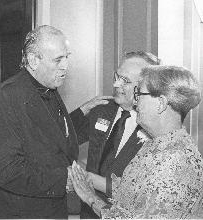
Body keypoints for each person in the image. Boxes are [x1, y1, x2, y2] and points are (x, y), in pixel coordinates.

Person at [0, 25, 109, 219]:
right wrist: (65, 179)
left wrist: (82, 112)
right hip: (25, 213)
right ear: (33, 60)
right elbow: (7, 171)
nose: (65, 66)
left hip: (53, 210)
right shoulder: (5, 97)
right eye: (57, 60)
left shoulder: (47, 85)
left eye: (67, 57)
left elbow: (49, 138)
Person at [70, 65, 203, 219]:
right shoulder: (155, 145)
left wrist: (91, 199)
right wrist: (88, 182)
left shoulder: (174, 161)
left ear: (161, 103)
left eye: (139, 94)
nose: (134, 101)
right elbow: (132, 190)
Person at [70, 51, 160, 218]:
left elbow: (147, 189)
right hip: (89, 212)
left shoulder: (155, 126)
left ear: (146, 86)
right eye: (116, 76)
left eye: (125, 81)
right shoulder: (102, 110)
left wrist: (92, 181)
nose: (117, 85)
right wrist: (81, 112)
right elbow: (61, 138)